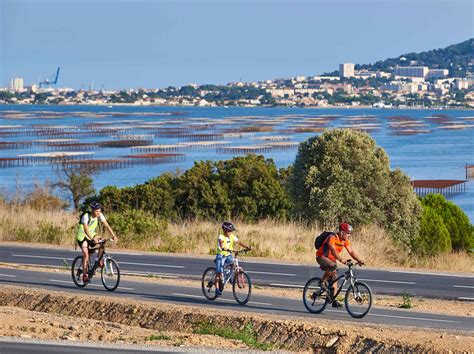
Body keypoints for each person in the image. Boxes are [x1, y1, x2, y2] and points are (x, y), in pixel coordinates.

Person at [316, 223, 364, 308]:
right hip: (321, 257)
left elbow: (351, 252)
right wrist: (341, 259)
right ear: (342, 232)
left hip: (332, 260)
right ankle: (322, 282)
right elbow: (332, 249)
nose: (349, 235)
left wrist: (359, 260)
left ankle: (333, 300)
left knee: (334, 279)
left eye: (349, 233)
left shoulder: (344, 241)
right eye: (347, 233)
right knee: (333, 266)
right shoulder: (332, 237)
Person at [76, 201, 118, 283]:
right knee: (86, 254)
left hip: (92, 234)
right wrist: (93, 238)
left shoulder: (100, 215)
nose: (98, 213)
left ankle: (97, 260)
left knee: (102, 243)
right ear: (92, 210)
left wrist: (114, 235)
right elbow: (86, 229)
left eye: (99, 210)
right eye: (96, 211)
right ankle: (85, 275)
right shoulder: (86, 216)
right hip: (82, 236)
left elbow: (107, 225)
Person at [214, 222, 251, 296]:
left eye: (231, 231)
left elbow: (239, 242)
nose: (230, 232)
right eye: (229, 231)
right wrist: (223, 248)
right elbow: (221, 243)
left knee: (234, 263)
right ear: (225, 230)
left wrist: (246, 247)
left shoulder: (232, 236)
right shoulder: (221, 236)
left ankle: (230, 277)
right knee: (219, 273)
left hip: (228, 255)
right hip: (221, 256)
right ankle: (217, 289)